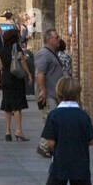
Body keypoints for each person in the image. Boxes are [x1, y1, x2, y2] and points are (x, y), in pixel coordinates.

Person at [0, 25, 32, 140]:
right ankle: (18, 130)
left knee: (7, 105)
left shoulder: (1, 50)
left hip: (6, 78)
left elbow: (0, 66)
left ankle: (7, 132)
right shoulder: (17, 49)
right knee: (17, 106)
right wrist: (29, 74)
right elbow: (22, 62)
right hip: (16, 79)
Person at [35, 27, 66, 156]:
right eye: (56, 37)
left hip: (54, 93)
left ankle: (49, 146)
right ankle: (43, 146)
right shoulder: (44, 54)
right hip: (48, 95)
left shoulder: (51, 53)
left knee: (52, 120)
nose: (59, 40)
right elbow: (40, 74)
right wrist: (43, 91)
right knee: (50, 121)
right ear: (49, 40)